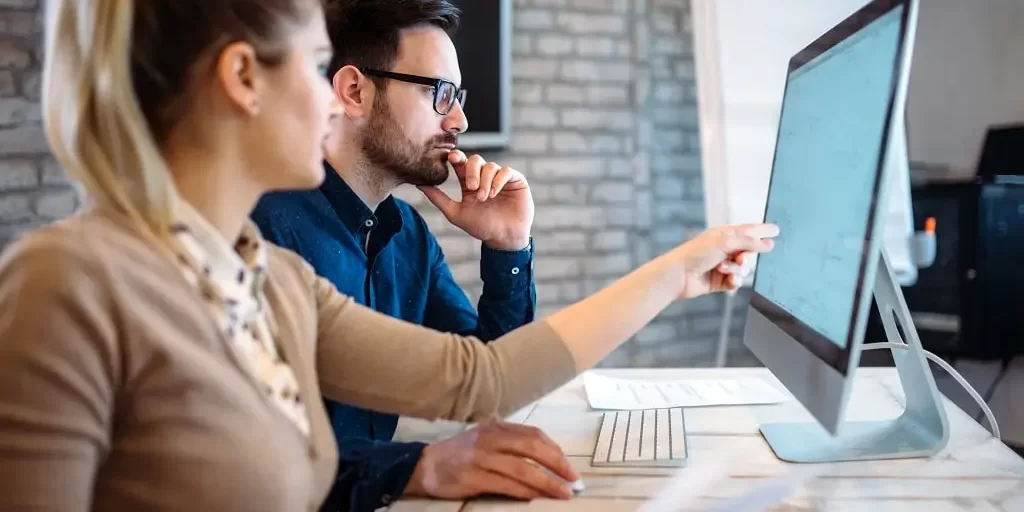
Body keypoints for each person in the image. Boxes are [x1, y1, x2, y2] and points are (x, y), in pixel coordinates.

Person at [0, 1, 778, 511]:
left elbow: (484, 378)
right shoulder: (67, 283)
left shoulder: (263, 280)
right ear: (244, 78)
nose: (328, 96)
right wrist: (415, 469)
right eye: (313, 66)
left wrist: (674, 268)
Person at [249, 1, 547, 508]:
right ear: (354, 91)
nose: (460, 118)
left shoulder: (406, 233)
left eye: (460, 95)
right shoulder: (262, 231)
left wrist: (507, 247)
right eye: (440, 94)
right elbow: (259, 453)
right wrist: (416, 466)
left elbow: (493, 382)